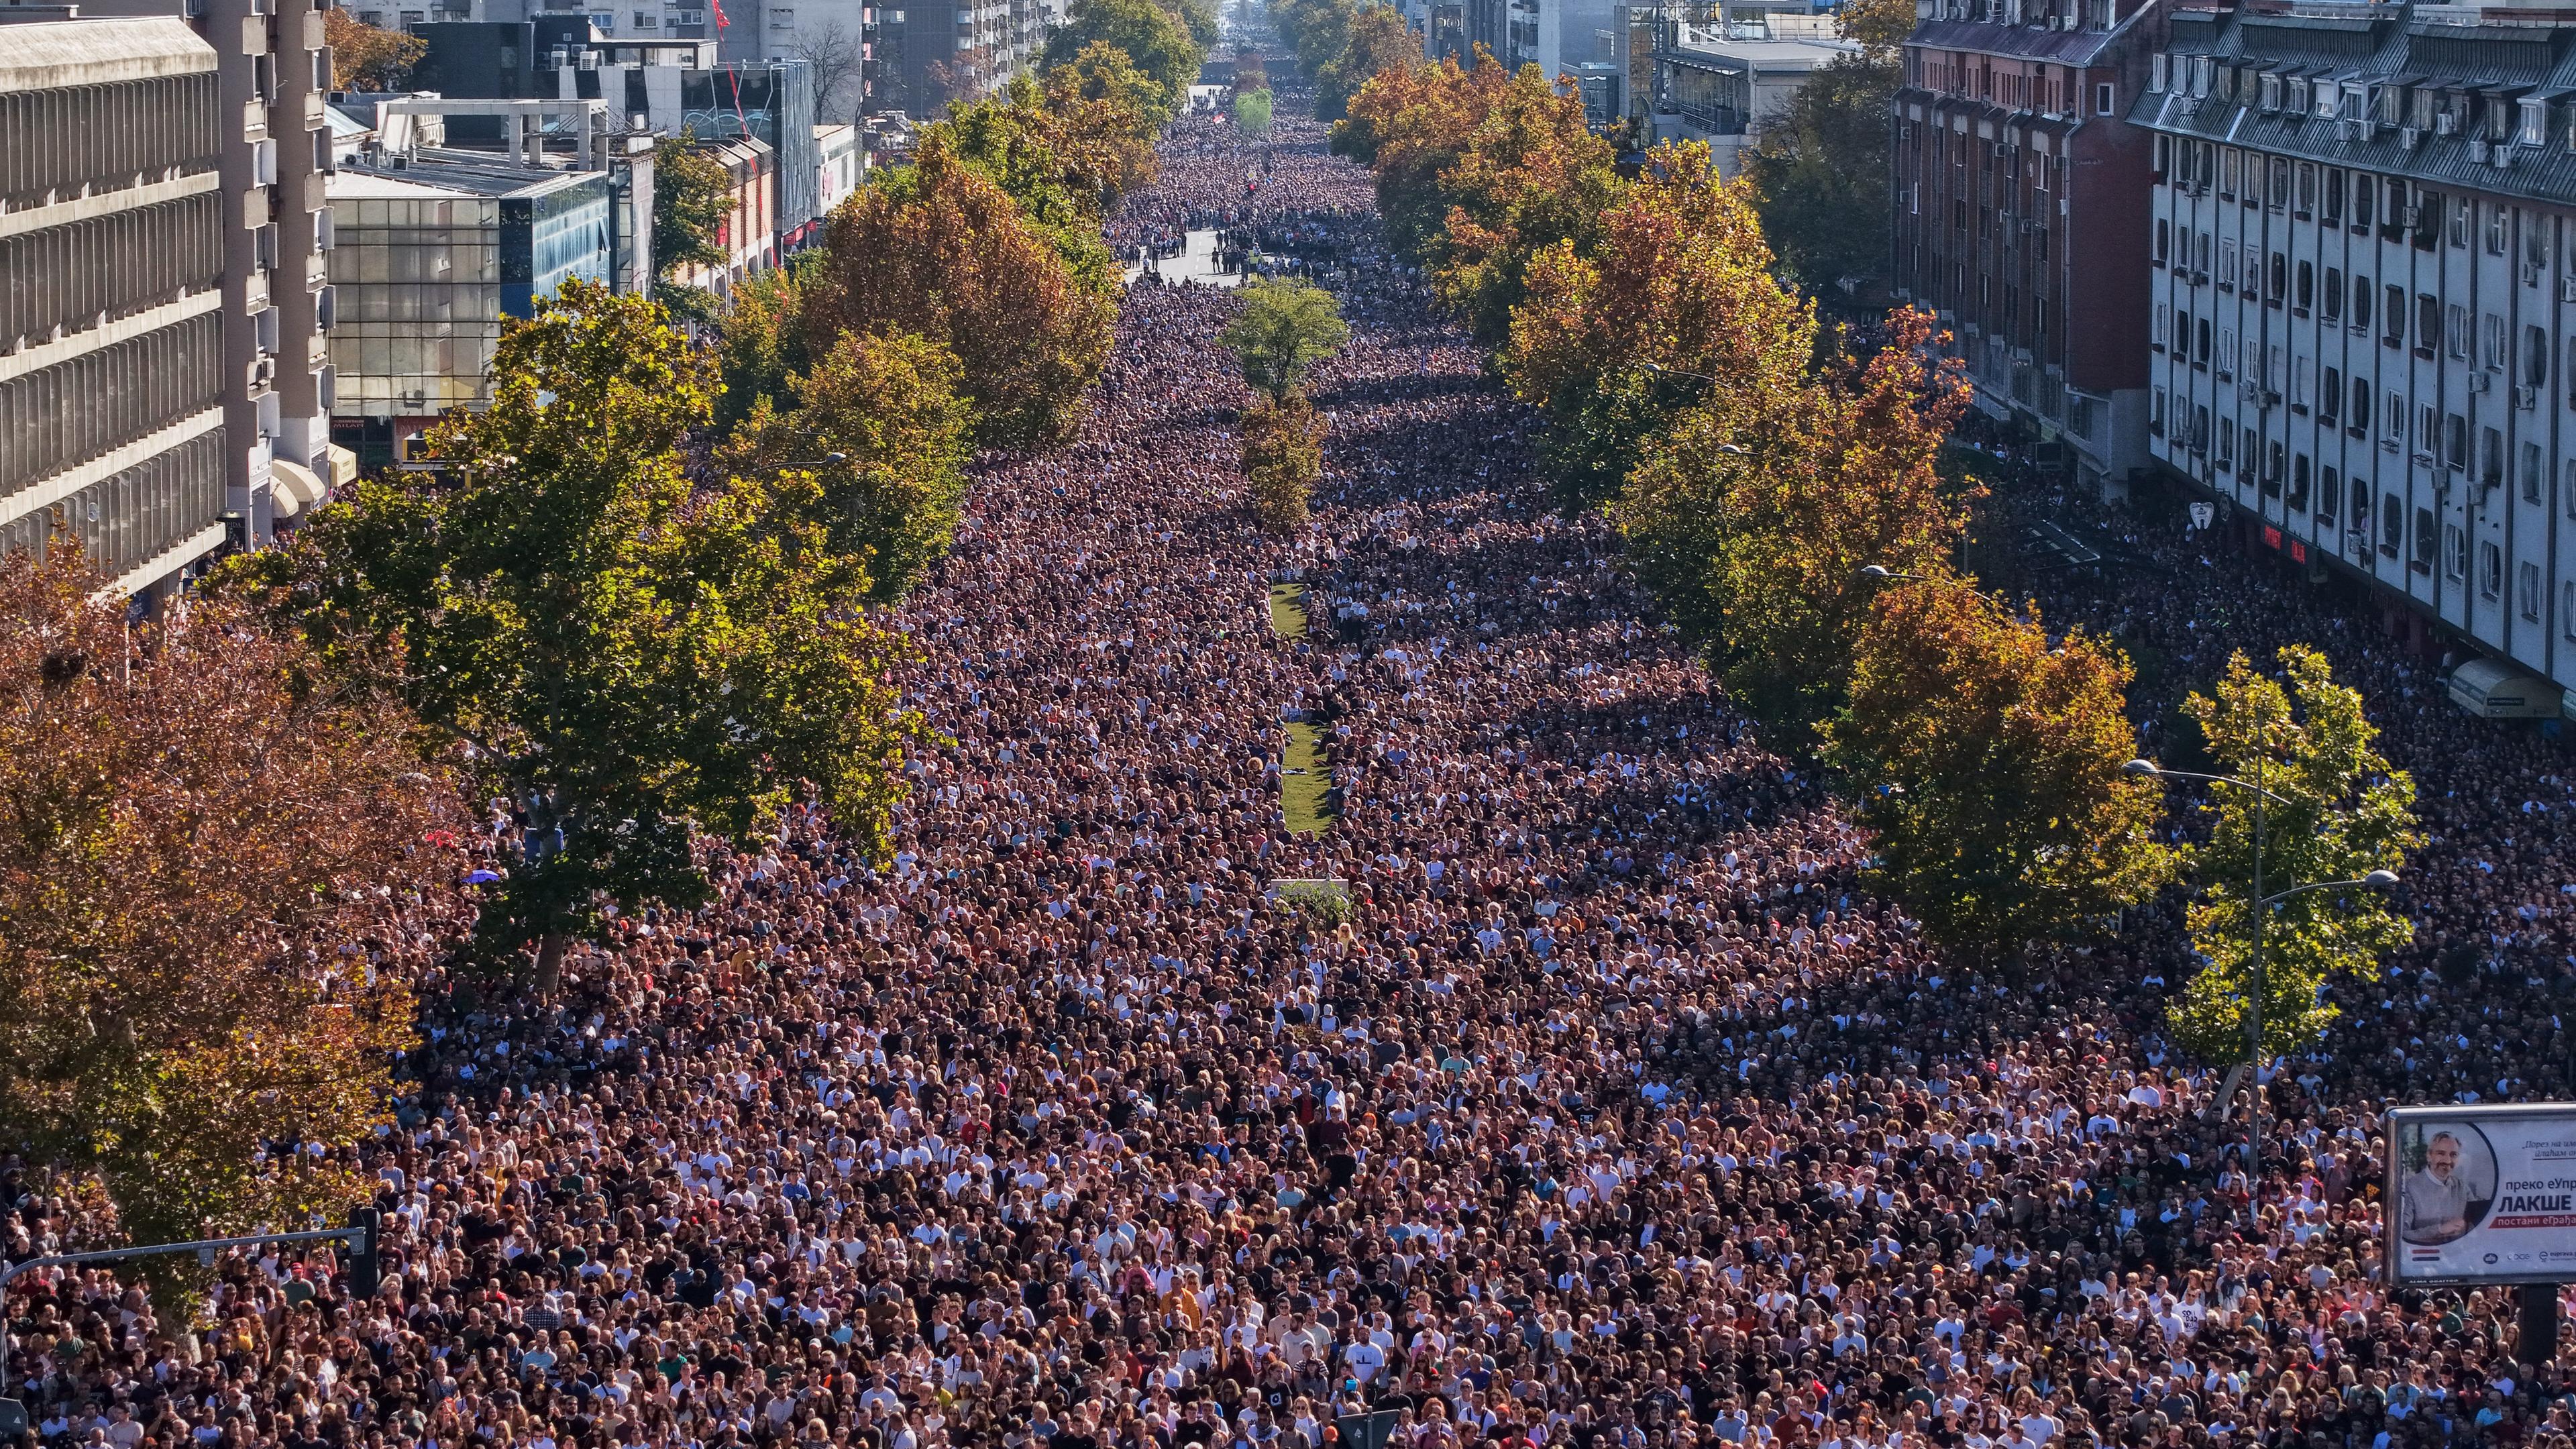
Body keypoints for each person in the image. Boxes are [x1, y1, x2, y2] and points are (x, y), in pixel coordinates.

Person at [2404, 1130, 2479, 1244]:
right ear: (2429, 1156)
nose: (2447, 1161)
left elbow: (2476, 1226)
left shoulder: (2462, 1188)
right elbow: (2403, 1234)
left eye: (2453, 1155)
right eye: (2441, 1153)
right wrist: (2440, 1230)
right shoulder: (2410, 1187)